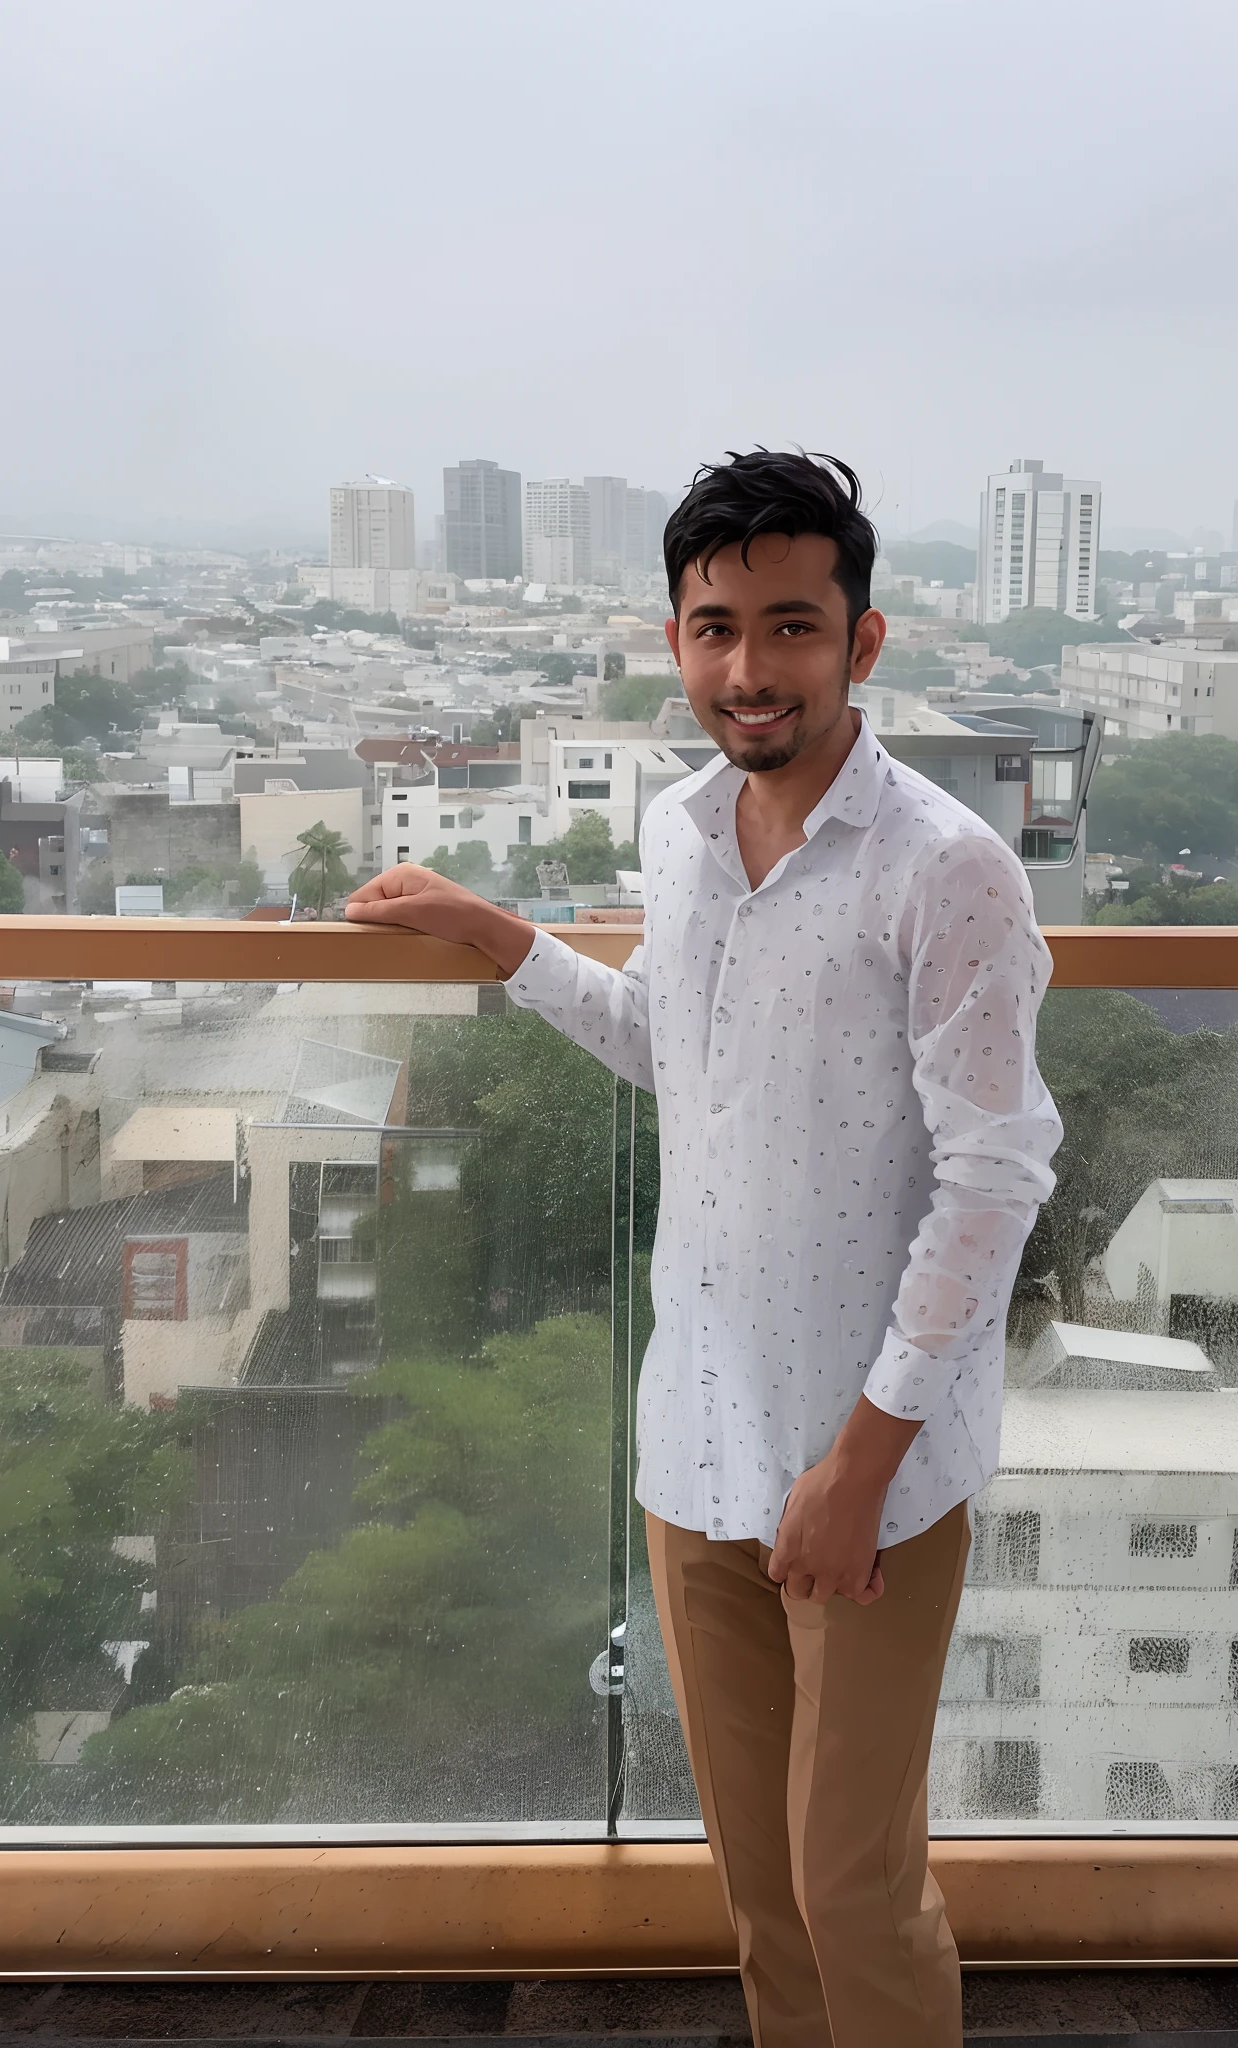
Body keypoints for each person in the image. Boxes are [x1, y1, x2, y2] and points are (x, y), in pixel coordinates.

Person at [346, 450, 1062, 2046]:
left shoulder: (947, 867)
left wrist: (861, 1463)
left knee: (852, 1884)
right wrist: (498, 938)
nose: (751, 670)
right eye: (715, 626)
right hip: (699, 1442)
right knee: (758, 1888)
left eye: (793, 627)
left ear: (863, 643)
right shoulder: (677, 833)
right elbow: (684, 1049)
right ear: (673, 638)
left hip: (866, 1456)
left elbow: (995, 1177)